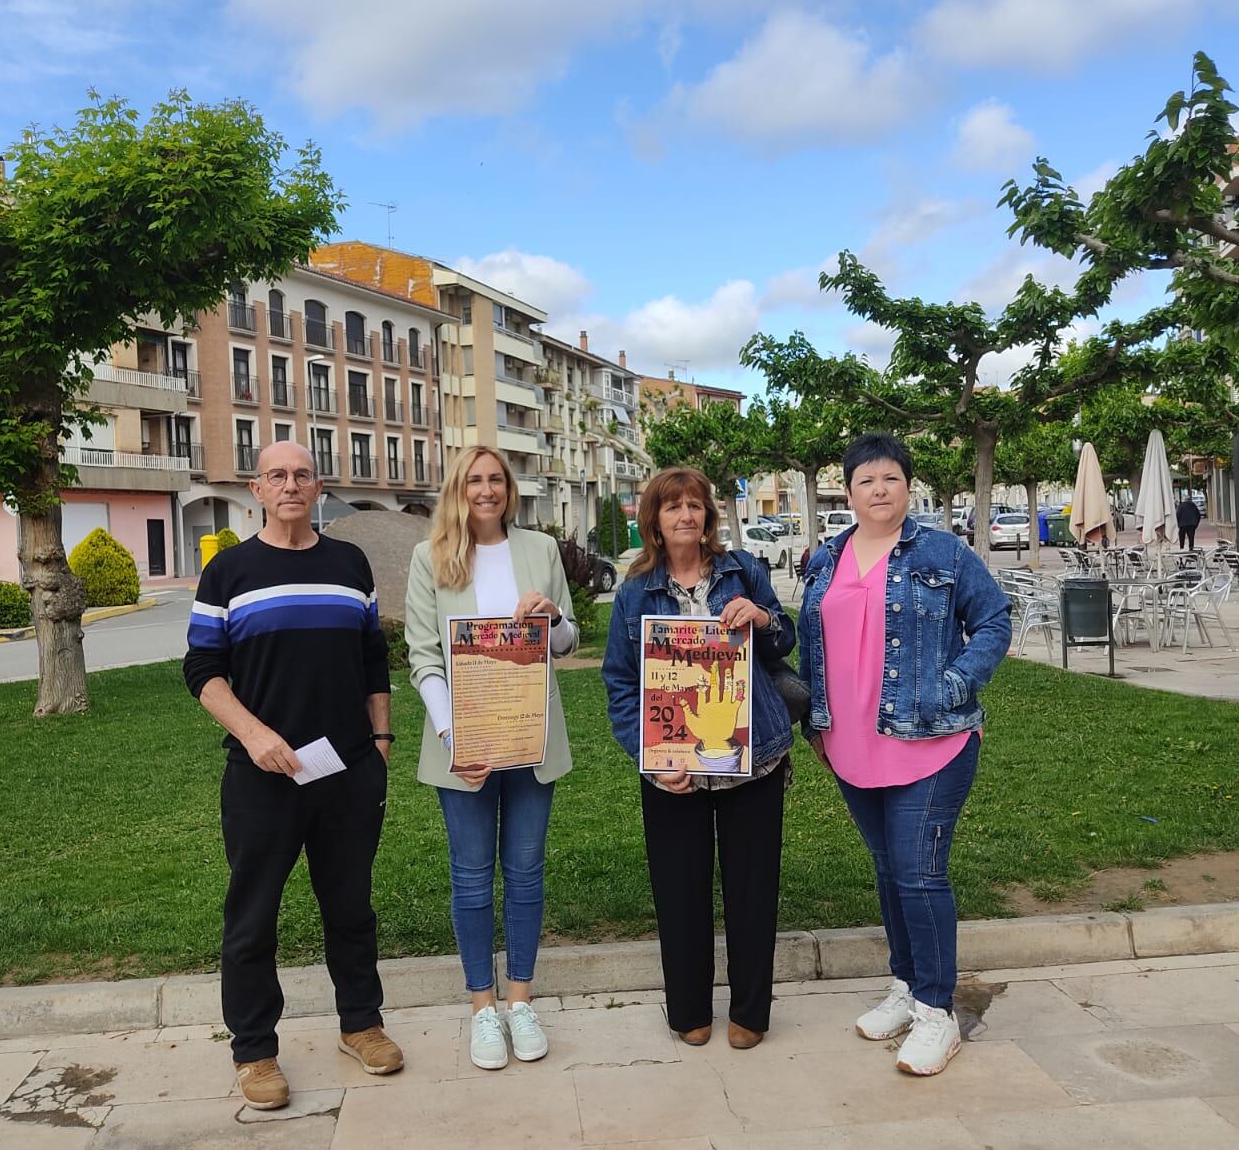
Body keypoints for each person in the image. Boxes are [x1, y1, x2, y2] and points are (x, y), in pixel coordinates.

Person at [183, 440, 403, 1112]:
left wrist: (383, 738)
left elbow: (372, 659)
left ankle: (361, 1025)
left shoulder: (349, 564)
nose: (291, 484)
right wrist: (254, 736)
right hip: (262, 777)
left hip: (347, 772)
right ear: (256, 488)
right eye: (277, 474)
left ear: (318, 486)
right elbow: (202, 671)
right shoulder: (229, 572)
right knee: (252, 918)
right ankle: (254, 1052)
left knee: (350, 908)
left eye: (302, 474)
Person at [797, 434, 1011, 1077]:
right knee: (890, 871)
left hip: (930, 742)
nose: (879, 490)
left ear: (907, 487)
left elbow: (994, 620)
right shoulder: (826, 558)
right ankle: (907, 984)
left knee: (920, 875)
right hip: (850, 743)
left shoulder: (942, 550)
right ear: (850, 490)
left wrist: (955, 682)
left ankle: (938, 1011)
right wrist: (815, 718)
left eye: (890, 478)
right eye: (866, 481)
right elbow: (815, 639)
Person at [602, 466, 795, 1051]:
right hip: (673, 768)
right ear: (655, 522)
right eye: (672, 507)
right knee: (679, 891)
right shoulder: (636, 592)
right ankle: (688, 1009)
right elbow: (619, 683)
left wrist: (762, 618)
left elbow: (786, 640)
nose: (685, 515)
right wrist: (649, 756)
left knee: (752, 889)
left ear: (708, 516)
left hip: (750, 759)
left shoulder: (745, 572)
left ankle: (750, 1012)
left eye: (694, 505)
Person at [404, 445, 579, 1070]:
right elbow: (423, 657)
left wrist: (554, 616)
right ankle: (482, 1008)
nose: (486, 490)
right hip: (464, 748)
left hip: (530, 741)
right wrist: (457, 739)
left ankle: (521, 1000)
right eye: (474, 480)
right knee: (473, 876)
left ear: (509, 489)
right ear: (459, 488)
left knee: (527, 872)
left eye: (495, 479)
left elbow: (566, 640)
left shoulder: (541, 550)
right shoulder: (431, 558)